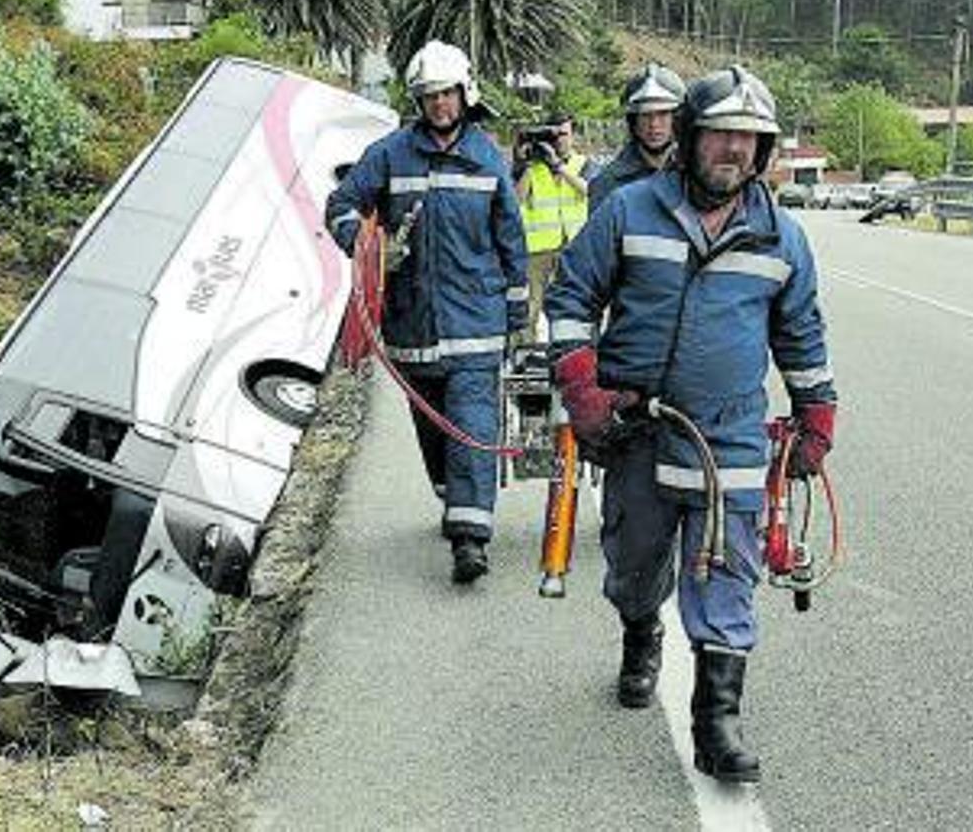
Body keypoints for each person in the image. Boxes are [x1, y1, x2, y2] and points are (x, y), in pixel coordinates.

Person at [544, 66, 837, 783]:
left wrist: (816, 415)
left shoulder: (782, 239)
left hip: (728, 437)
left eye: (748, 138)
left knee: (726, 574)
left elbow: (800, 336)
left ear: (763, 151)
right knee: (634, 566)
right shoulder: (628, 210)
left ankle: (718, 724)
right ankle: (640, 634)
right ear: (688, 137)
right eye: (719, 134)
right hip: (636, 429)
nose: (732, 150)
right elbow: (571, 296)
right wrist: (582, 385)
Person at [325, 40, 528, 585]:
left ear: (466, 94)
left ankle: (470, 541)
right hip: (412, 325)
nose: (440, 104)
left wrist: (516, 309)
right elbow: (341, 205)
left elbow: (511, 238)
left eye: (447, 94)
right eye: (430, 96)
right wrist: (368, 242)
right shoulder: (389, 155)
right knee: (432, 427)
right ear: (419, 101)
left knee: (471, 422)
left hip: (475, 323)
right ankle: (452, 496)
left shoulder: (487, 158)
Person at [512, 111, 594, 339]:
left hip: (575, 246)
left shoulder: (582, 164)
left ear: (573, 136)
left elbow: (590, 191)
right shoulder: (533, 165)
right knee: (530, 306)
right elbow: (516, 200)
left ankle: (573, 350)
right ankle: (524, 355)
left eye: (564, 134)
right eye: (554, 135)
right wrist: (527, 164)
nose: (559, 140)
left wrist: (558, 167)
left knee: (573, 305)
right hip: (538, 248)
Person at [588, 63, 686, 213]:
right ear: (633, 121)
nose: (654, 124)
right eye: (645, 115)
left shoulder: (695, 177)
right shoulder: (608, 184)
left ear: (677, 118)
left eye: (663, 114)